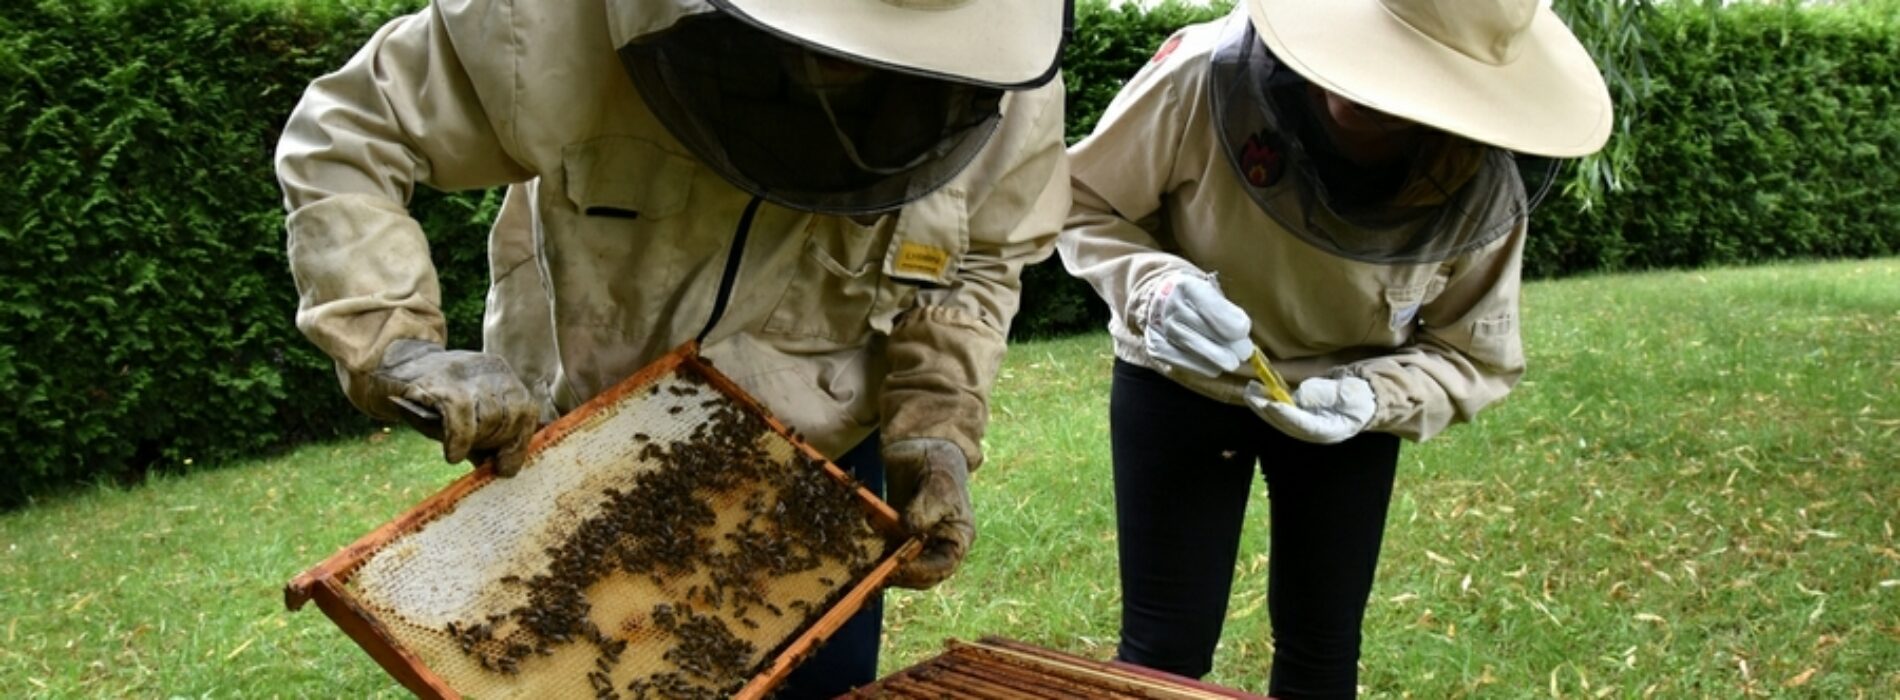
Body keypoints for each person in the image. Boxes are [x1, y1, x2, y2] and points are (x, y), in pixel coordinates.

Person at [275, 0, 1071, 695]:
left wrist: (937, 429)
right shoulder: (552, 19)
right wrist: (394, 343)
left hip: (816, 465)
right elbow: (348, 133)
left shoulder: (1012, 82)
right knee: (567, 668)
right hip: (582, 448)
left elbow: (978, 262)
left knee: (818, 685)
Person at [1058, 0, 1612, 696]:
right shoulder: (1202, 74)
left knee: (1321, 648)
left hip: (1346, 410)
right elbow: (1080, 200)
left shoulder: (1480, 187)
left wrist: (1375, 397)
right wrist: (1152, 286)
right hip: (1180, 379)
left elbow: (1475, 354)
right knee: (1162, 645)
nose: (1364, 87)